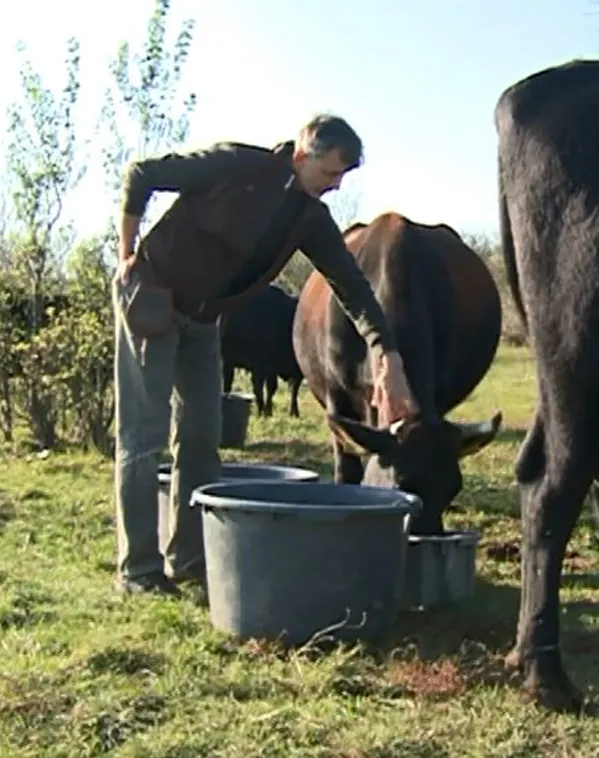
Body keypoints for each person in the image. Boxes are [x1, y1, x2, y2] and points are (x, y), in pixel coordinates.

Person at [111, 113, 419, 596]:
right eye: (330, 173)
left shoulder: (310, 218)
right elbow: (142, 175)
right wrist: (125, 254)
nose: (335, 186)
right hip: (153, 298)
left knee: (200, 438)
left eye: (343, 176)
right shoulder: (234, 165)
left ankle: (189, 559)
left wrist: (389, 355)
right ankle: (139, 570)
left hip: (206, 321)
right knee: (143, 436)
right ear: (301, 154)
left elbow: (354, 288)